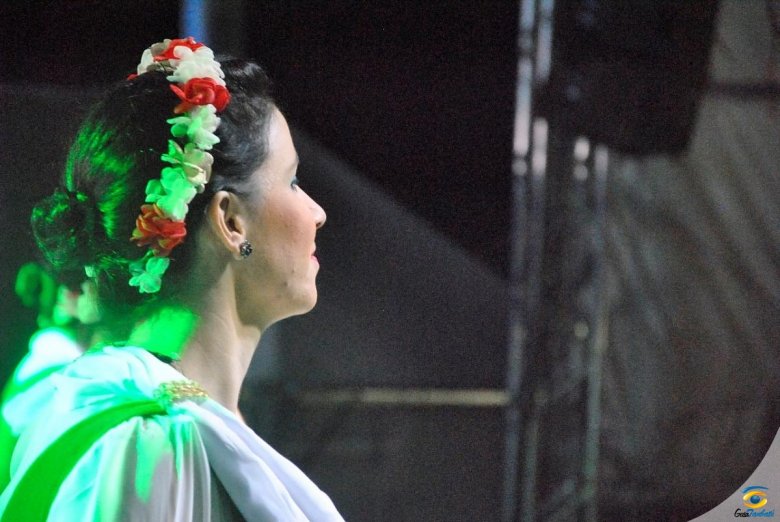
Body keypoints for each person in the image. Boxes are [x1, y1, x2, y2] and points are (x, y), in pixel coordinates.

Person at [0, 38, 343, 521]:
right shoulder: (150, 450)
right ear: (230, 221)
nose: (317, 212)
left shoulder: (171, 425)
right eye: (291, 181)